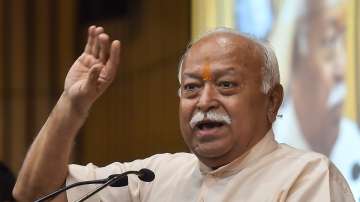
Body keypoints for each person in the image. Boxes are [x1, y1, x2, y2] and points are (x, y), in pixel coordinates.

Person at [13, 26, 355, 201]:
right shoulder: (152, 177)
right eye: (191, 88)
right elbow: (36, 193)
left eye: (226, 85)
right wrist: (72, 106)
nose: (204, 101)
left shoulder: (306, 177)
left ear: (272, 101)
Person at [273, 0, 360, 200]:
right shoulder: (269, 152)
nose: (342, 67)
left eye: (343, 43)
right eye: (329, 43)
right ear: (294, 61)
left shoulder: (353, 139)